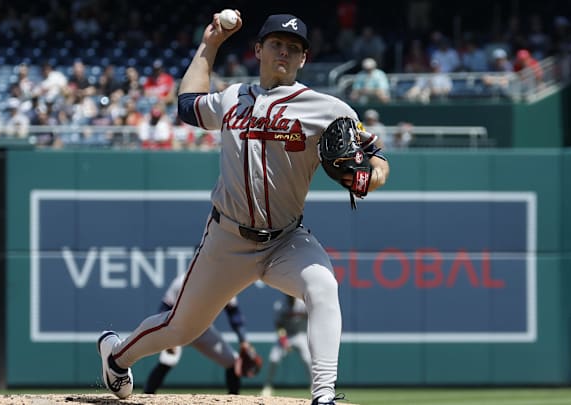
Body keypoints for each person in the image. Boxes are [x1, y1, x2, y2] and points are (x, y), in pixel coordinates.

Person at [96, 11, 390, 405]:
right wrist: (211, 43)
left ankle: (323, 396)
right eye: (276, 44)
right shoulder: (233, 97)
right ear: (259, 50)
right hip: (227, 240)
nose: (284, 52)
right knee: (180, 328)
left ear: (304, 58)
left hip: (285, 240)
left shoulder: (328, 109)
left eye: (294, 48)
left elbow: (376, 158)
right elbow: (186, 106)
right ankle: (116, 356)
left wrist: (371, 176)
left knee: (322, 286)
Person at [144, 273, 249, 395]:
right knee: (167, 361)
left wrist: (244, 341)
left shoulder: (224, 282)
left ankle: (234, 400)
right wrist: (165, 337)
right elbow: (163, 310)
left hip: (203, 330)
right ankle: (147, 396)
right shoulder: (182, 281)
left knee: (233, 361)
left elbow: (234, 314)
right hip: (178, 329)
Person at [261, 294, 311, 398]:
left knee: (308, 359)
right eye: (288, 295)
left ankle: (314, 386)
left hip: (299, 335)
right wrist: (284, 340)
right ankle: (268, 386)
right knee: (273, 359)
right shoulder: (280, 306)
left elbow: (312, 319)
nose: (290, 297)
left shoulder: (303, 305)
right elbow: (278, 325)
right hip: (286, 335)